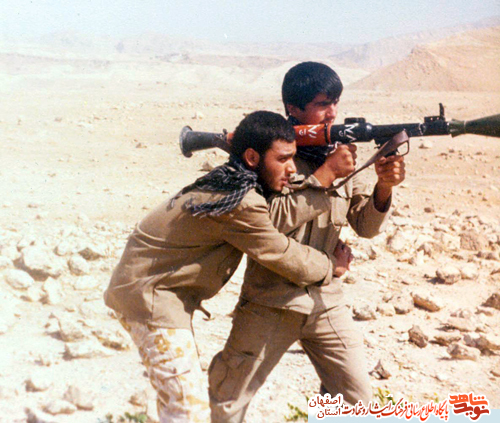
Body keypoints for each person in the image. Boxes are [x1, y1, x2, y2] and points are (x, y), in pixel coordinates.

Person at [103, 110, 350, 423]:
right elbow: (279, 252)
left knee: (182, 404)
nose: (291, 168)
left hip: (149, 292)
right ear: (251, 157)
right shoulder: (241, 201)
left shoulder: (231, 180)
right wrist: (331, 265)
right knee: (187, 410)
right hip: (151, 300)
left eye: (293, 157)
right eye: (282, 159)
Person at [209, 62, 406, 422]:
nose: (332, 112)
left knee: (355, 403)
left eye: (335, 103)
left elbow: (365, 226)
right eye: (322, 104)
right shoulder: (273, 157)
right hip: (271, 301)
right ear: (293, 109)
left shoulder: (341, 155)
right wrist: (325, 174)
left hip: (326, 300)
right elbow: (267, 222)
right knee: (229, 400)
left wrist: (384, 186)